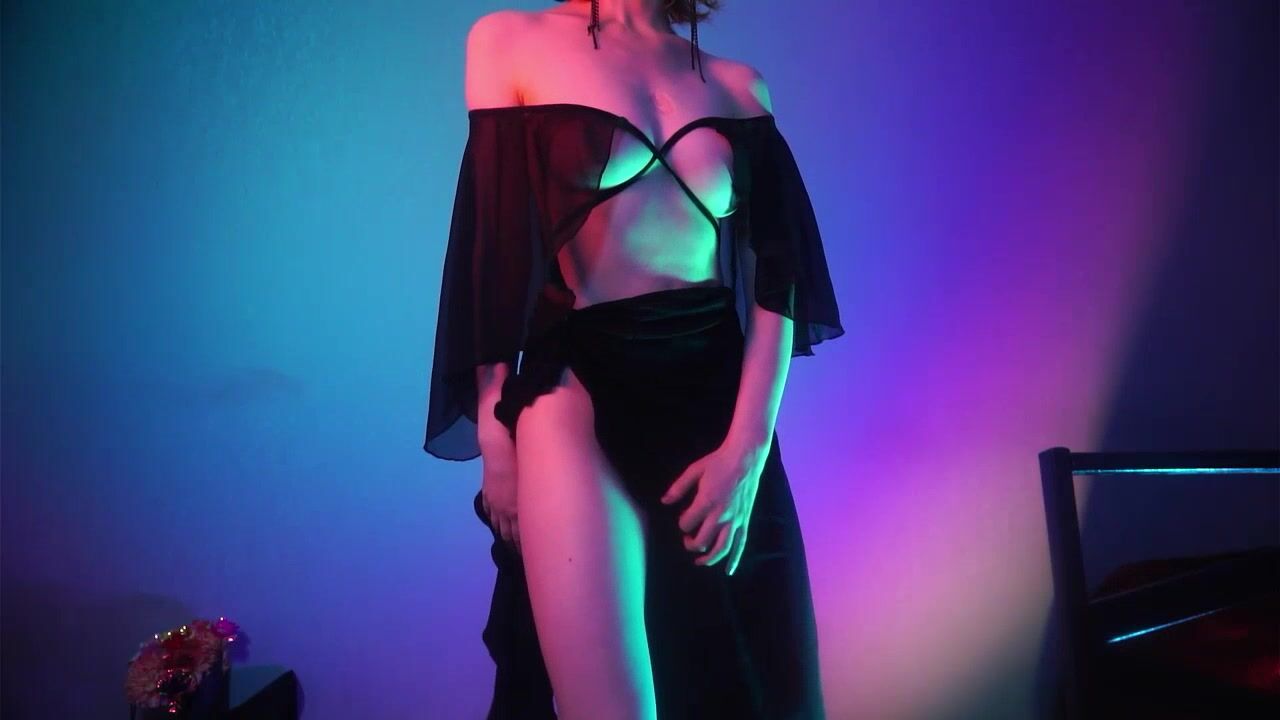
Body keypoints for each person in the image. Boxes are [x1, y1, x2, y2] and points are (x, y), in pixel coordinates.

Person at [423, 1, 845, 718]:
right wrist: (495, 434)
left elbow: (777, 277)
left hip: (718, 396)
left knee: (763, 688)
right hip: (581, 386)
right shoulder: (510, 42)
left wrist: (747, 449)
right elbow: (493, 248)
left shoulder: (737, 84)